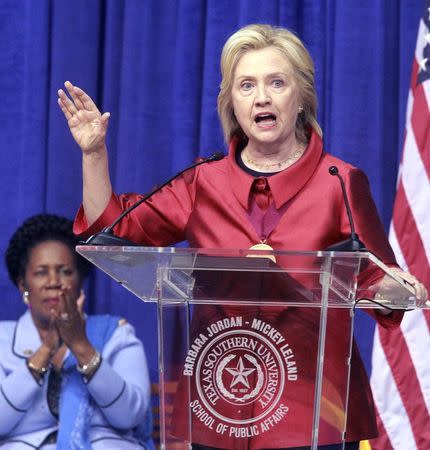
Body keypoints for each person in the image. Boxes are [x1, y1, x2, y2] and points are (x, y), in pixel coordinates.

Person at [58, 24, 427, 450]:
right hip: (219, 404)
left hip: (312, 410)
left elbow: (374, 279)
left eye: (277, 83)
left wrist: (396, 289)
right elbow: (112, 230)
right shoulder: (202, 182)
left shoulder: (339, 182)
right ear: (231, 102)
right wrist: (94, 154)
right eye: (246, 85)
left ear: (302, 97)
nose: (262, 97)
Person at [0, 214, 154, 450]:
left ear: (80, 279)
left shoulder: (117, 335)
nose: (54, 282)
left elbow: (130, 416)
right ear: (23, 285)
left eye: (65, 271)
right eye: (41, 272)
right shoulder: (2, 340)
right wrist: (46, 350)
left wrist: (81, 346)